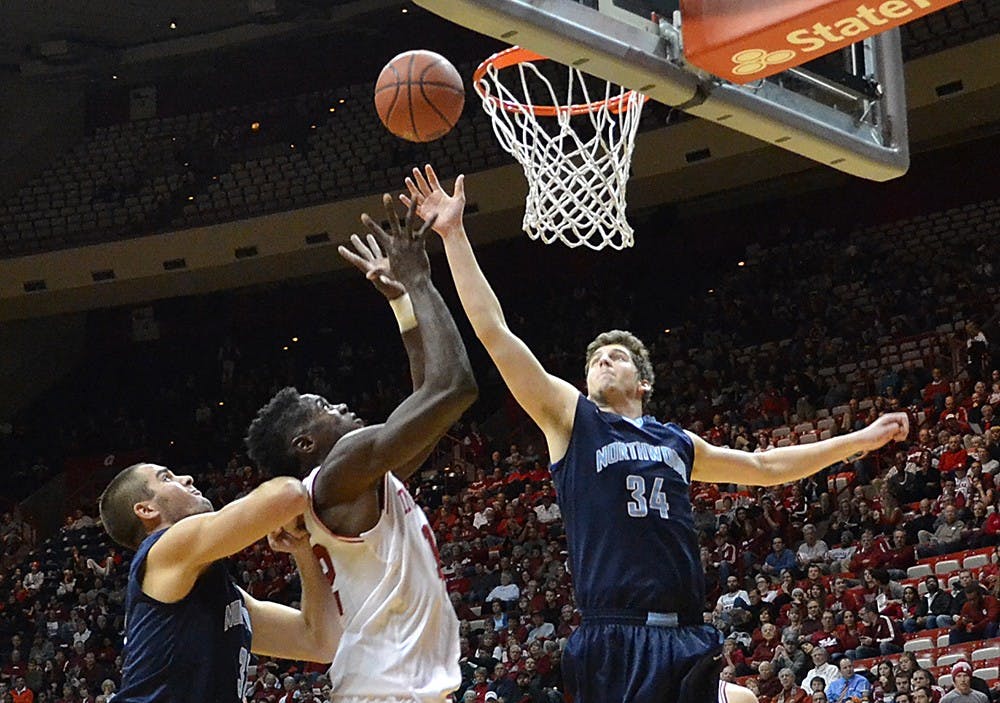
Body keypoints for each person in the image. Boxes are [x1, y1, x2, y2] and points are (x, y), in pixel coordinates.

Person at [402, 164, 909, 703]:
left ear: (642, 382)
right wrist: (454, 236)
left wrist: (858, 440)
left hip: (686, 631)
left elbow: (764, 468)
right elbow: (494, 333)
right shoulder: (572, 420)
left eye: (615, 357)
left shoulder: (676, 443)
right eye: (594, 359)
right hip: (616, 631)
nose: (601, 362)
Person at [244, 194, 478, 702]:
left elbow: (427, 404)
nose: (343, 405)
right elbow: (454, 388)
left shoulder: (359, 483)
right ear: (305, 443)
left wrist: (402, 305)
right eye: (325, 405)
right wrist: (419, 280)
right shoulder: (338, 474)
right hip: (387, 692)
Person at [98, 463, 341, 702]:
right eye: (166, 478)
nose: (187, 477)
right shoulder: (164, 549)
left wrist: (301, 550)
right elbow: (288, 495)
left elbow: (319, 642)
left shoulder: (216, 597)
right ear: (146, 510)